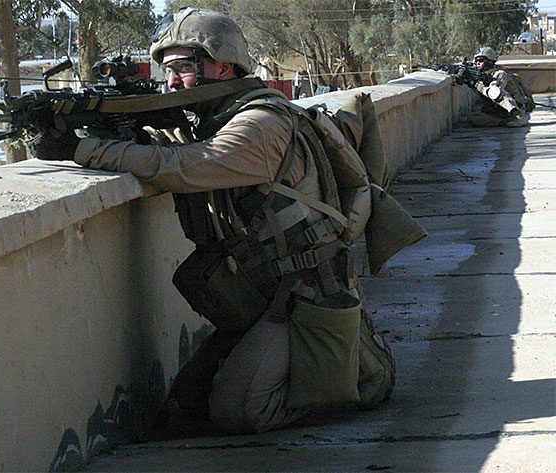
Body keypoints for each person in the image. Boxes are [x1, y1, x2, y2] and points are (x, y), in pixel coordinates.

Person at [31, 7, 398, 434]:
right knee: (189, 403)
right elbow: (176, 149)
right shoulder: (214, 120)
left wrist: (83, 150)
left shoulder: (262, 122)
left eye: (184, 68)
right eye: (167, 70)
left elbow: (190, 166)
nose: (171, 82)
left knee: (239, 410)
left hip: (308, 296)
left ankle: (354, 372)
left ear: (224, 67)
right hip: (263, 295)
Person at [468, 46, 534, 128]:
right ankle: (504, 122)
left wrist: (480, 87)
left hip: (515, 106)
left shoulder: (500, 73)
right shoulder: (483, 75)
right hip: (498, 109)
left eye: (481, 60)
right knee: (473, 119)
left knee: (497, 93)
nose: (478, 63)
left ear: (490, 61)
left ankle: (519, 117)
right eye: (476, 61)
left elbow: (495, 93)